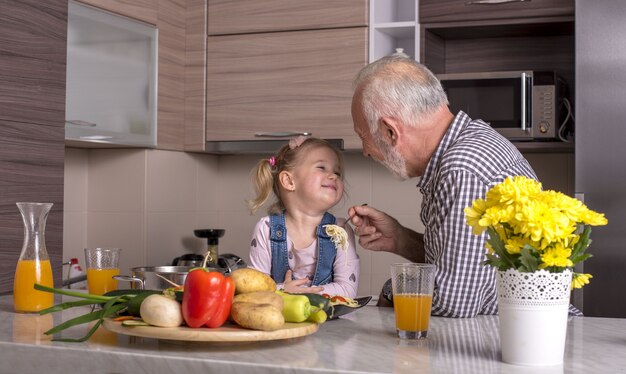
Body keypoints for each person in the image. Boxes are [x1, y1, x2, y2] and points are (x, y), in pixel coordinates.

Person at [348, 56, 539, 317]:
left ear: (390, 131)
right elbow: (465, 271)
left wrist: (391, 290)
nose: (366, 151)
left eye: (363, 137)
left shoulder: (462, 170)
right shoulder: (471, 142)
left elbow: (454, 304)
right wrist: (401, 239)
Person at [247, 136, 359, 298]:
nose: (334, 176)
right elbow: (254, 289)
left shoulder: (341, 231)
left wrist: (302, 294)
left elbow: (348, 290)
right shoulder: (266, 229)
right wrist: (283, 289)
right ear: (289, 181)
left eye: (337, 172)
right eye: (322, 167)